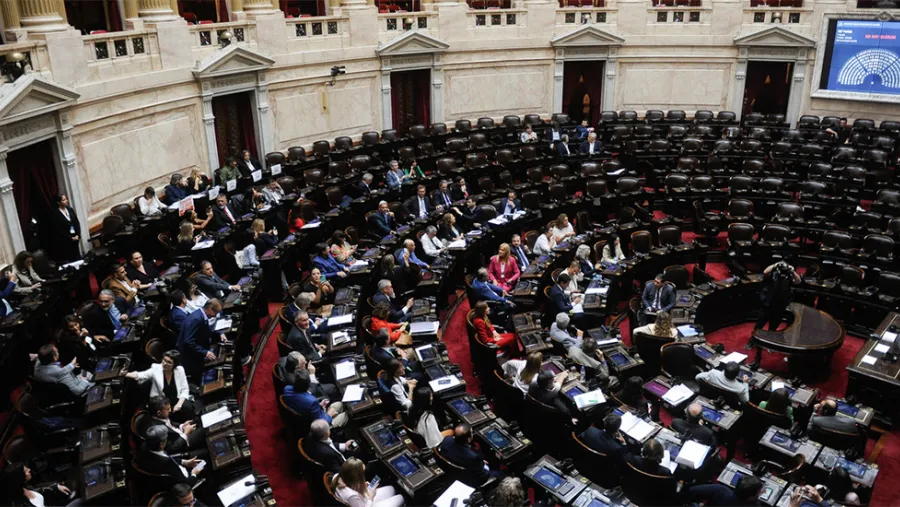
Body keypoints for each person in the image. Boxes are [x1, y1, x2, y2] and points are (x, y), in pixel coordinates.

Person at [126, 350, 197, 424]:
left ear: (174, 365)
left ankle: (190, 425)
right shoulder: (156, 368)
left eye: (169, 362)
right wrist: (126, 374)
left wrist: (179, 404)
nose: (165, 363)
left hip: (177, 399)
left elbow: (185, 389)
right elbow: (140, 375)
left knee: (187, 407)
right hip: (162, 401)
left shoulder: (180, 370)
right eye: (164, 360)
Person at [177, 299, 226, 382]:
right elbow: (188, 341)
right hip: (189, 356)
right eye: (216, 313)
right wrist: (204, 352)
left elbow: (205, 329)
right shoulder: (196, 319)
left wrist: (219, 333)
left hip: (196, 349)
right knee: (197, 378)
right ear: (210, 308)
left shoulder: (200, 314)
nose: (215, 316)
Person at [137, 425, 201, 486]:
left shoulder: (144, 447)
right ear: (161, 445)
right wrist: (194, 474)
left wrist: (184, 462)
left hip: (174, 470)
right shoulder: (168, 464)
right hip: (186, 478)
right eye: (166, 439)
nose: (167, 440)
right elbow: (186, 484)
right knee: (203, 463)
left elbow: (166, 457)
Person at [439, 423, 504, 482]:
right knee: (500, 473)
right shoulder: (473, 457)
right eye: (472, 433)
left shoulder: (447, 440)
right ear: (469, 439)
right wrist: (483, 465)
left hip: (452, 470)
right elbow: (483, 476)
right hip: (471, 479)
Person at [284, 369, 348, 427]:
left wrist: (319, 406)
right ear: (308, 385)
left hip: (307, 414)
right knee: (347, 414)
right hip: (319, 426)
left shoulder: (287, 389)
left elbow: (306, 406)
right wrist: (329, 415)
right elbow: (323, 422)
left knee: (340, 404)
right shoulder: (312, 401)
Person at [332, 458, 405, 507]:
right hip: (368, 503)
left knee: (391, 489)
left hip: (363, 499)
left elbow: (350, 487)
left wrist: (360, 486)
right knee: (401, 498)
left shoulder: (336, 476)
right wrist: (371, 497)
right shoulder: (352, 496)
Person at [2, 462, 75, 507]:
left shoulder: (26, 488)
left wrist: (56, 486)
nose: (29, 469)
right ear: (19, 478)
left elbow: (40, 490)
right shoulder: (20, 504)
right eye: (26, 471)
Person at [684, 474, 764, 506]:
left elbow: (692, 490)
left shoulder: (721, 490)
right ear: (751, 496)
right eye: (759, 492)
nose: (762, 492)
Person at [48, 194, 81, 262]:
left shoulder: (70, 210)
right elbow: (58, 230)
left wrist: (78, 235)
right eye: (63, 200)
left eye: (66, 199)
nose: (66, 201)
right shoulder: (56, 214)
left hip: (75, 238)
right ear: (58, 202)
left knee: (78, 257)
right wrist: (70, 238)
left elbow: (77, 223)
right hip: (65, 241)